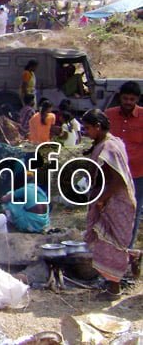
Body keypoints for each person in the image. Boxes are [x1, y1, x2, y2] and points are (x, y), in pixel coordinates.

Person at [82, 109, 140, 297]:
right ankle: (132, 258)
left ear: (98, 127)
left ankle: (114, 288)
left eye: (88, 128)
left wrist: (101, 199)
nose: (86, 132)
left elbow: (118, 180)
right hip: (108, 200)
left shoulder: (110, 147)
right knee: (108, 242)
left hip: (116, 202)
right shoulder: (106, 142)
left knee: (110, 245)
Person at [106, 81, 142, 248]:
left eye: (132, 99)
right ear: (120, 97)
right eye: (125, 98)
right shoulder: (109, 115)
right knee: (110, 211)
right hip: (112, 174)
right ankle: (110, 248)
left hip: (137, 174)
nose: (128, 102)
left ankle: (127, 250)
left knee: (132, 212)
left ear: (137, 100)